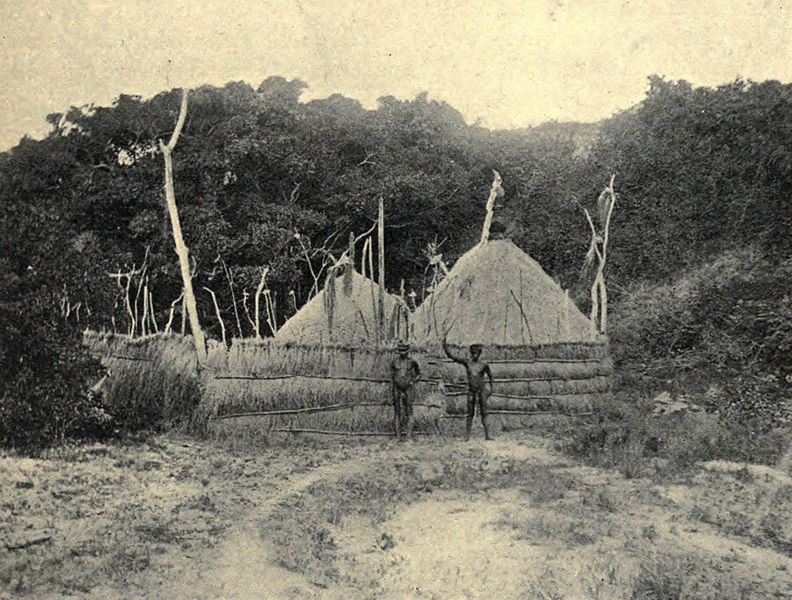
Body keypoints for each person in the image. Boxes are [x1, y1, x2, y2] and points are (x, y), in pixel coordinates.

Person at [443, 336, 494, 441]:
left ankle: (488, 435)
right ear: (471, 353)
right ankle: (467, 436)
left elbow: (491, 377)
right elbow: (453, 357)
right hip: (472, 391)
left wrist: (491, 390)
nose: (474, 355)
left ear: (479, 354)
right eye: (473, 353)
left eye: (476, 353)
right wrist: (445, 347)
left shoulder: (484, 364)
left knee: (484, 413)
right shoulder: (467, 362)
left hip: (482, 390)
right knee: (470, 414)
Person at [390, 342, 421, 440]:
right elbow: (392, 374)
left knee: (409, 411)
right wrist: (396, 381)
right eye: (401, 351)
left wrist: (412, 381)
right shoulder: (394, 362)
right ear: (398, 352)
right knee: (397, 411)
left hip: (408, 388)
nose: (402, 353)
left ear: (408, 352)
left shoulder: (412, 362)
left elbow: (419, 374)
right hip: (397, 388)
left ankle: (408, 436)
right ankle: (398, 437)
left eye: (404, 351)